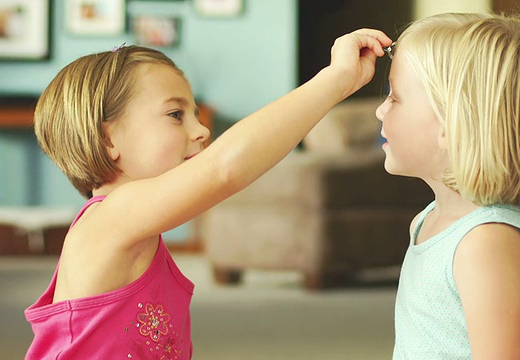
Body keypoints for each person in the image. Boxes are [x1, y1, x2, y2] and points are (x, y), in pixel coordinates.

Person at [23, 29, 393, 359]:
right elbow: (224, 168)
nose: (201, 131)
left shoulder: (133, 226)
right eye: (175, 115)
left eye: (196, 114)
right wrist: (335, 81)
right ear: (108, 138)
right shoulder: (110, 217)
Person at [375, 12, 520, 359]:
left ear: (451, 124)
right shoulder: (428, 222)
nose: (380, 111)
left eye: (394, 96)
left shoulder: (486, 244)